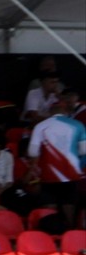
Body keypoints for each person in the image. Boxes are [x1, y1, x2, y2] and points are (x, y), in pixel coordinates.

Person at [27, 97, 86, 228]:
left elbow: (32, 152)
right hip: (71, 173)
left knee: (50, 205)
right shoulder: (78, 125)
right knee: (69, 205)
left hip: (49, 174)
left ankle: (51, 232)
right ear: (65, 110)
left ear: (50, 111)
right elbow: (84, 151)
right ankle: (70, 234)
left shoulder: (40, 126)